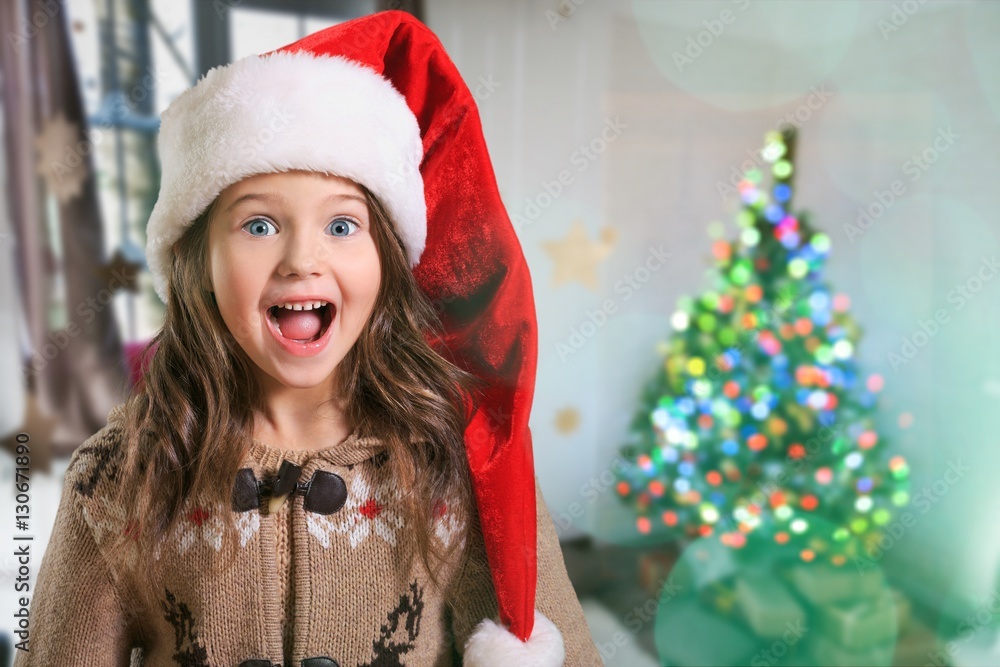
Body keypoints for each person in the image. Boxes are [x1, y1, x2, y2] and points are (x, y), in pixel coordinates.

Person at [14, 10, 602, 667]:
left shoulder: (460, 462)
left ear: (387, 258)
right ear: (197, 260)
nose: (302, 258)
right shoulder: (117, 475)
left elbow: (563, 649)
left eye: (343, 227)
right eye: (259, 225)